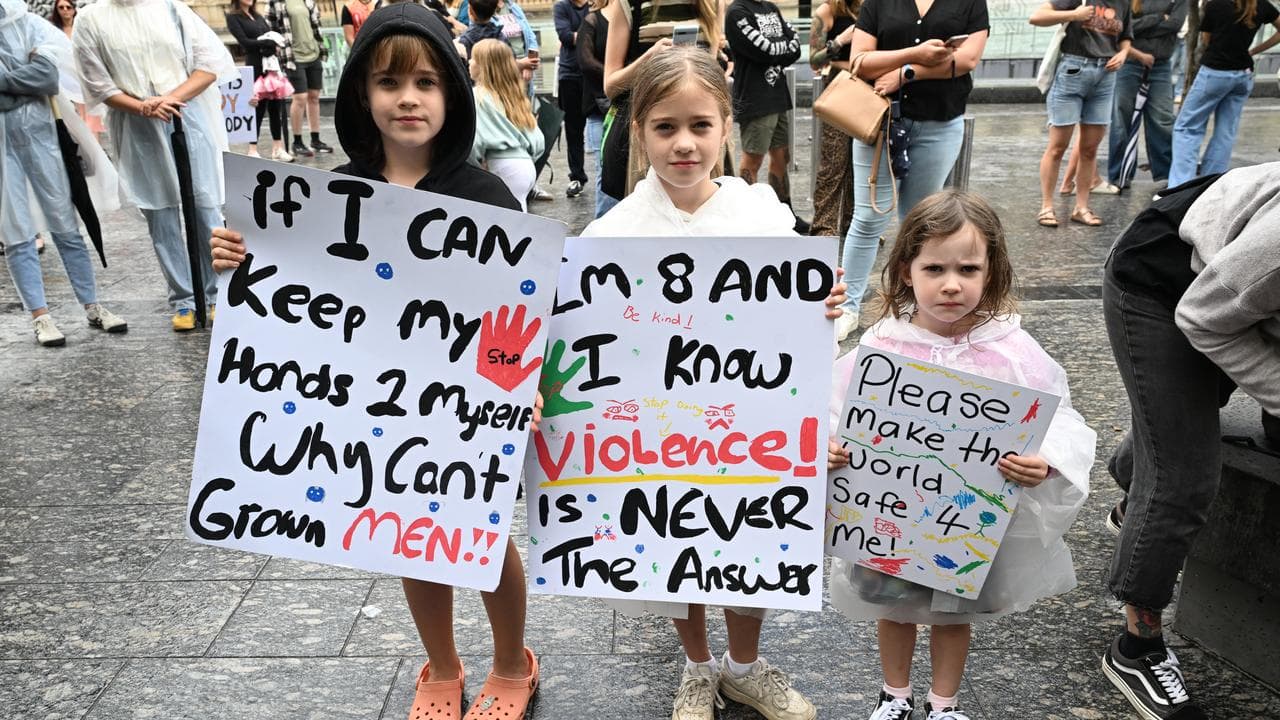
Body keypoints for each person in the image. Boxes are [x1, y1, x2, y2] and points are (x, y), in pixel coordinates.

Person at [210, 6, 541, 720]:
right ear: (361, 93)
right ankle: (444, 665)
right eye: (389, 81)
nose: (409, 98)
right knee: (414, 540)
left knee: (481, 538)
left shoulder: (486, 197)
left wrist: (518, 381)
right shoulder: (326, 197)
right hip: (376, 412)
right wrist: (242, 258)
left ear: (453, 93)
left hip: (469, 408)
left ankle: (513, 663)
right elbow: (288, 301)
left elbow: (517, 304)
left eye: (426, 81)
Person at [583, 47, 846, 720]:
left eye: (700, 125)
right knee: (675, 543)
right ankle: (698, 667)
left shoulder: (763, 220)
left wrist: (822, 308)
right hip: (656, 432)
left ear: (727, 127)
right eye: (665, 127)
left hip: (748, 426)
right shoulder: (611, 234)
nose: (684, 144)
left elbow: (798, 327)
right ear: (638, 130)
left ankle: (745, 664)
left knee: (752, 536)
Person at [828, 190, 1094, 720]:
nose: (952, 283)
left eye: (968, 268)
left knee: (955, 614)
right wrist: (830, 448)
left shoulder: (1013, 351)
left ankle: (944, 704)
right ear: (906, 271)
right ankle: (895, 696)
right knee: (894, 607)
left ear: (991, 272)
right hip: (891, 517)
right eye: (935, 268)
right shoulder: (883, 347)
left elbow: (1059, 414)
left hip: (970, 522)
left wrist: (1048, 460)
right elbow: (836, 407)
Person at [1101, 161, 1280, 720]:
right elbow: (1202, 317)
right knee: (1182, 478)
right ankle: (1137, 647)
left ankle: (1138, 483)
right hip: (1164, 282)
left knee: (1178, 423)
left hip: (1240, 291)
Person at [73, 0, 236, 331]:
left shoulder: (171, 8)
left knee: (205, 208)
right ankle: (184, 299)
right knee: (160, 214)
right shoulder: (90, 19)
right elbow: (98, 83)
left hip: (188, 117)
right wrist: (143, 107)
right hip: (137, 128)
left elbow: (209, 63)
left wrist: (169, 98)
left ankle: (218, 294)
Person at [833, 0, 990, 342]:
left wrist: (908, 72)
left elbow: (966, 60)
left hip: (940, 123)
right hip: (878, 120)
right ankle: (847, 306)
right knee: (868, 217)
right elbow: (860, 61)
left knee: (920, 222)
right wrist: (916, 54)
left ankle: (911, 304)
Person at [1, 0, 127, 346]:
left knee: (66, 225)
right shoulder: (30, 31)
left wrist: (7, 82)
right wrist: (26, 78)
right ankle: (40, 317)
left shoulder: (28, 24)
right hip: (4, 146)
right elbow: (36, 77)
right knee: (17, 232)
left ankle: (92, 304)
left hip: (44, 137)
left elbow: (48, 75)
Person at [598, 0, 721, 200]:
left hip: (701, 131)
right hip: (651, 136)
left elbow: (713, 76)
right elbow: (610, 86)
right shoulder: (628, 4)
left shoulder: (711, 3)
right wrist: (648, 59)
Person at [1031, 0, 1132, 228]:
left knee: (1090, 148)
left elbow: (1125, 37)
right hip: (1074, 69)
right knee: (1058, 146)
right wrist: (1074, 14)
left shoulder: (1122, 3)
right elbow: (1037, 17)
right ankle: (1046, 206)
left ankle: (1082, 207)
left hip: (1106, 75)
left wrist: (1124, 54)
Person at [1167, 0, 1280, 186]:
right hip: (1243, 73)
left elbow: (1206, 40)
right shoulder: (1261, 5)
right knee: (1225, 132)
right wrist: (1254, 51)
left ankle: (1179, 187)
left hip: (1215, 71)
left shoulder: (1215, 5)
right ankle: (1210, 184)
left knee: (1187, 128)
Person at [725, 0, 805, 232]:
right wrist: (783, 47)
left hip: (778, 93)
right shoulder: (737, 11)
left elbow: (796, 48)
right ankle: (744, 216)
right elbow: (761, 50)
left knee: (782, 155)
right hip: (754, 96)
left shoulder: (770, 7)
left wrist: (777, 49)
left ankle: (785, 212)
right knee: (753, 159)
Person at [1101, 0, 1187, 191]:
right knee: (1121, 119)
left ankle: (1164, 174)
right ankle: (1118, 175)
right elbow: (1123, 27)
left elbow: (1175, 24)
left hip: (1161, 65)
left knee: (1162, 119)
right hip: (1129, 63)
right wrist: (1157, 19)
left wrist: (1138, 27)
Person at [470, 38, 544, 210]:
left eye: (473, 58)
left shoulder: (477, 96)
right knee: (518, 221)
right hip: (526, 167)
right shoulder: (513, 96)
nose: (469, 62)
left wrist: (474, 167)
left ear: (483, 66)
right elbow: (538, 141)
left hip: (498, 167)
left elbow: (474, 141)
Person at [807, 0, 859, 241]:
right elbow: (814, 60)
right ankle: (823, 227)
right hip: (840, 88)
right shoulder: (827, 11)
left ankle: (854, 223)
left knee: (862, 163)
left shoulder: (872, 8)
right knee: (834, 161)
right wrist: (839, 42)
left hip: (870, 88)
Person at [265, 0, 334, 158]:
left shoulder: (308, 1)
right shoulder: (275, 3)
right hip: (293, 57)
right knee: (300, 97)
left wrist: (319, 46)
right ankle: (297, 142)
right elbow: (269, 29)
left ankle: (315, 140)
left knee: (314, 97)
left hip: (313, 53)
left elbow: (315, 25)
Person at [226, 0, 293, 162]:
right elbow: (244, 43)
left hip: (270, 65)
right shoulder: (233, 17)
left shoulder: (257, 16)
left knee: (275, 107)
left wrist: (272, 44)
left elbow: (270, 34)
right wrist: (265, 43)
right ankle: (252, 148)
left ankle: (278, 147)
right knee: (257, 107)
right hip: (255, 66)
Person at [576, 0, 619, 217]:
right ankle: (603, 231)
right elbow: (585, 62)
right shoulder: (593, 20)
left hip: (628, 105)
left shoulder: (632, 18)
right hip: (599, 107)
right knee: (605, 169)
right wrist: (615, 74)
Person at [554, 0, 591, 198]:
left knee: (600, 127)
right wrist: (592, 34)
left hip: (593, 75)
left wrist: (581, 36)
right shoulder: (561, 7)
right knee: (574, 130)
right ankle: (577, 176)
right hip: (570, 75)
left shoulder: (595, 5)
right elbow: (565, 36)